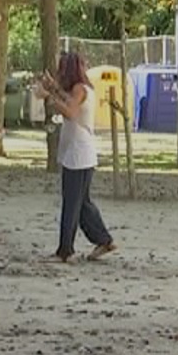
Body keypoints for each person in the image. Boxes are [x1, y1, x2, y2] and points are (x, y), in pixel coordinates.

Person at [44, 52, 117, 263]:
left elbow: (71, 112)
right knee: (83, 203)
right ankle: (103, 239)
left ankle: (65, 250)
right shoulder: (83, 89)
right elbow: (68, 100)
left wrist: (49, 97)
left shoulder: (79, 89)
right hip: (81, 153)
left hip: (78, 154)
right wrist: (54, 89)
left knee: (72, 203)